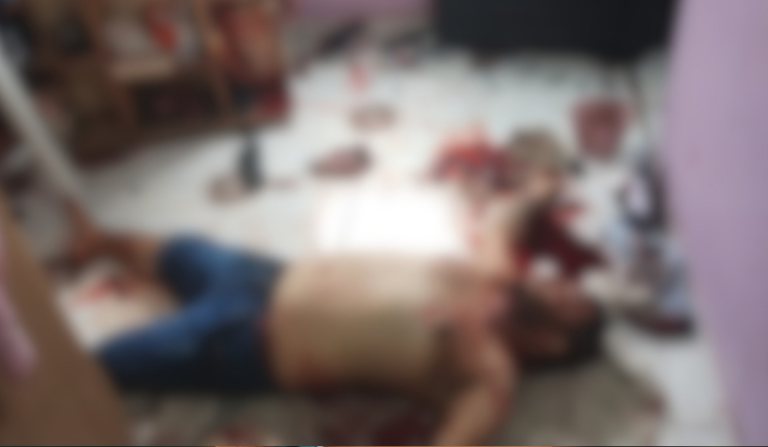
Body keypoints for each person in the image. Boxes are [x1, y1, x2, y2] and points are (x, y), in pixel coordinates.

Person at [63, 134, 601, 446]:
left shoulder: (491, 375)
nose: (557, 281)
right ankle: (97, 241)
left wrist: (454, 345)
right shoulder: (496, 278)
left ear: (553, 344)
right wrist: (541, 190)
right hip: (270, 275)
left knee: (99, 366)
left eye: (569, 300)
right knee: (182, 249)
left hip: (248, 340)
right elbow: (504, 222)